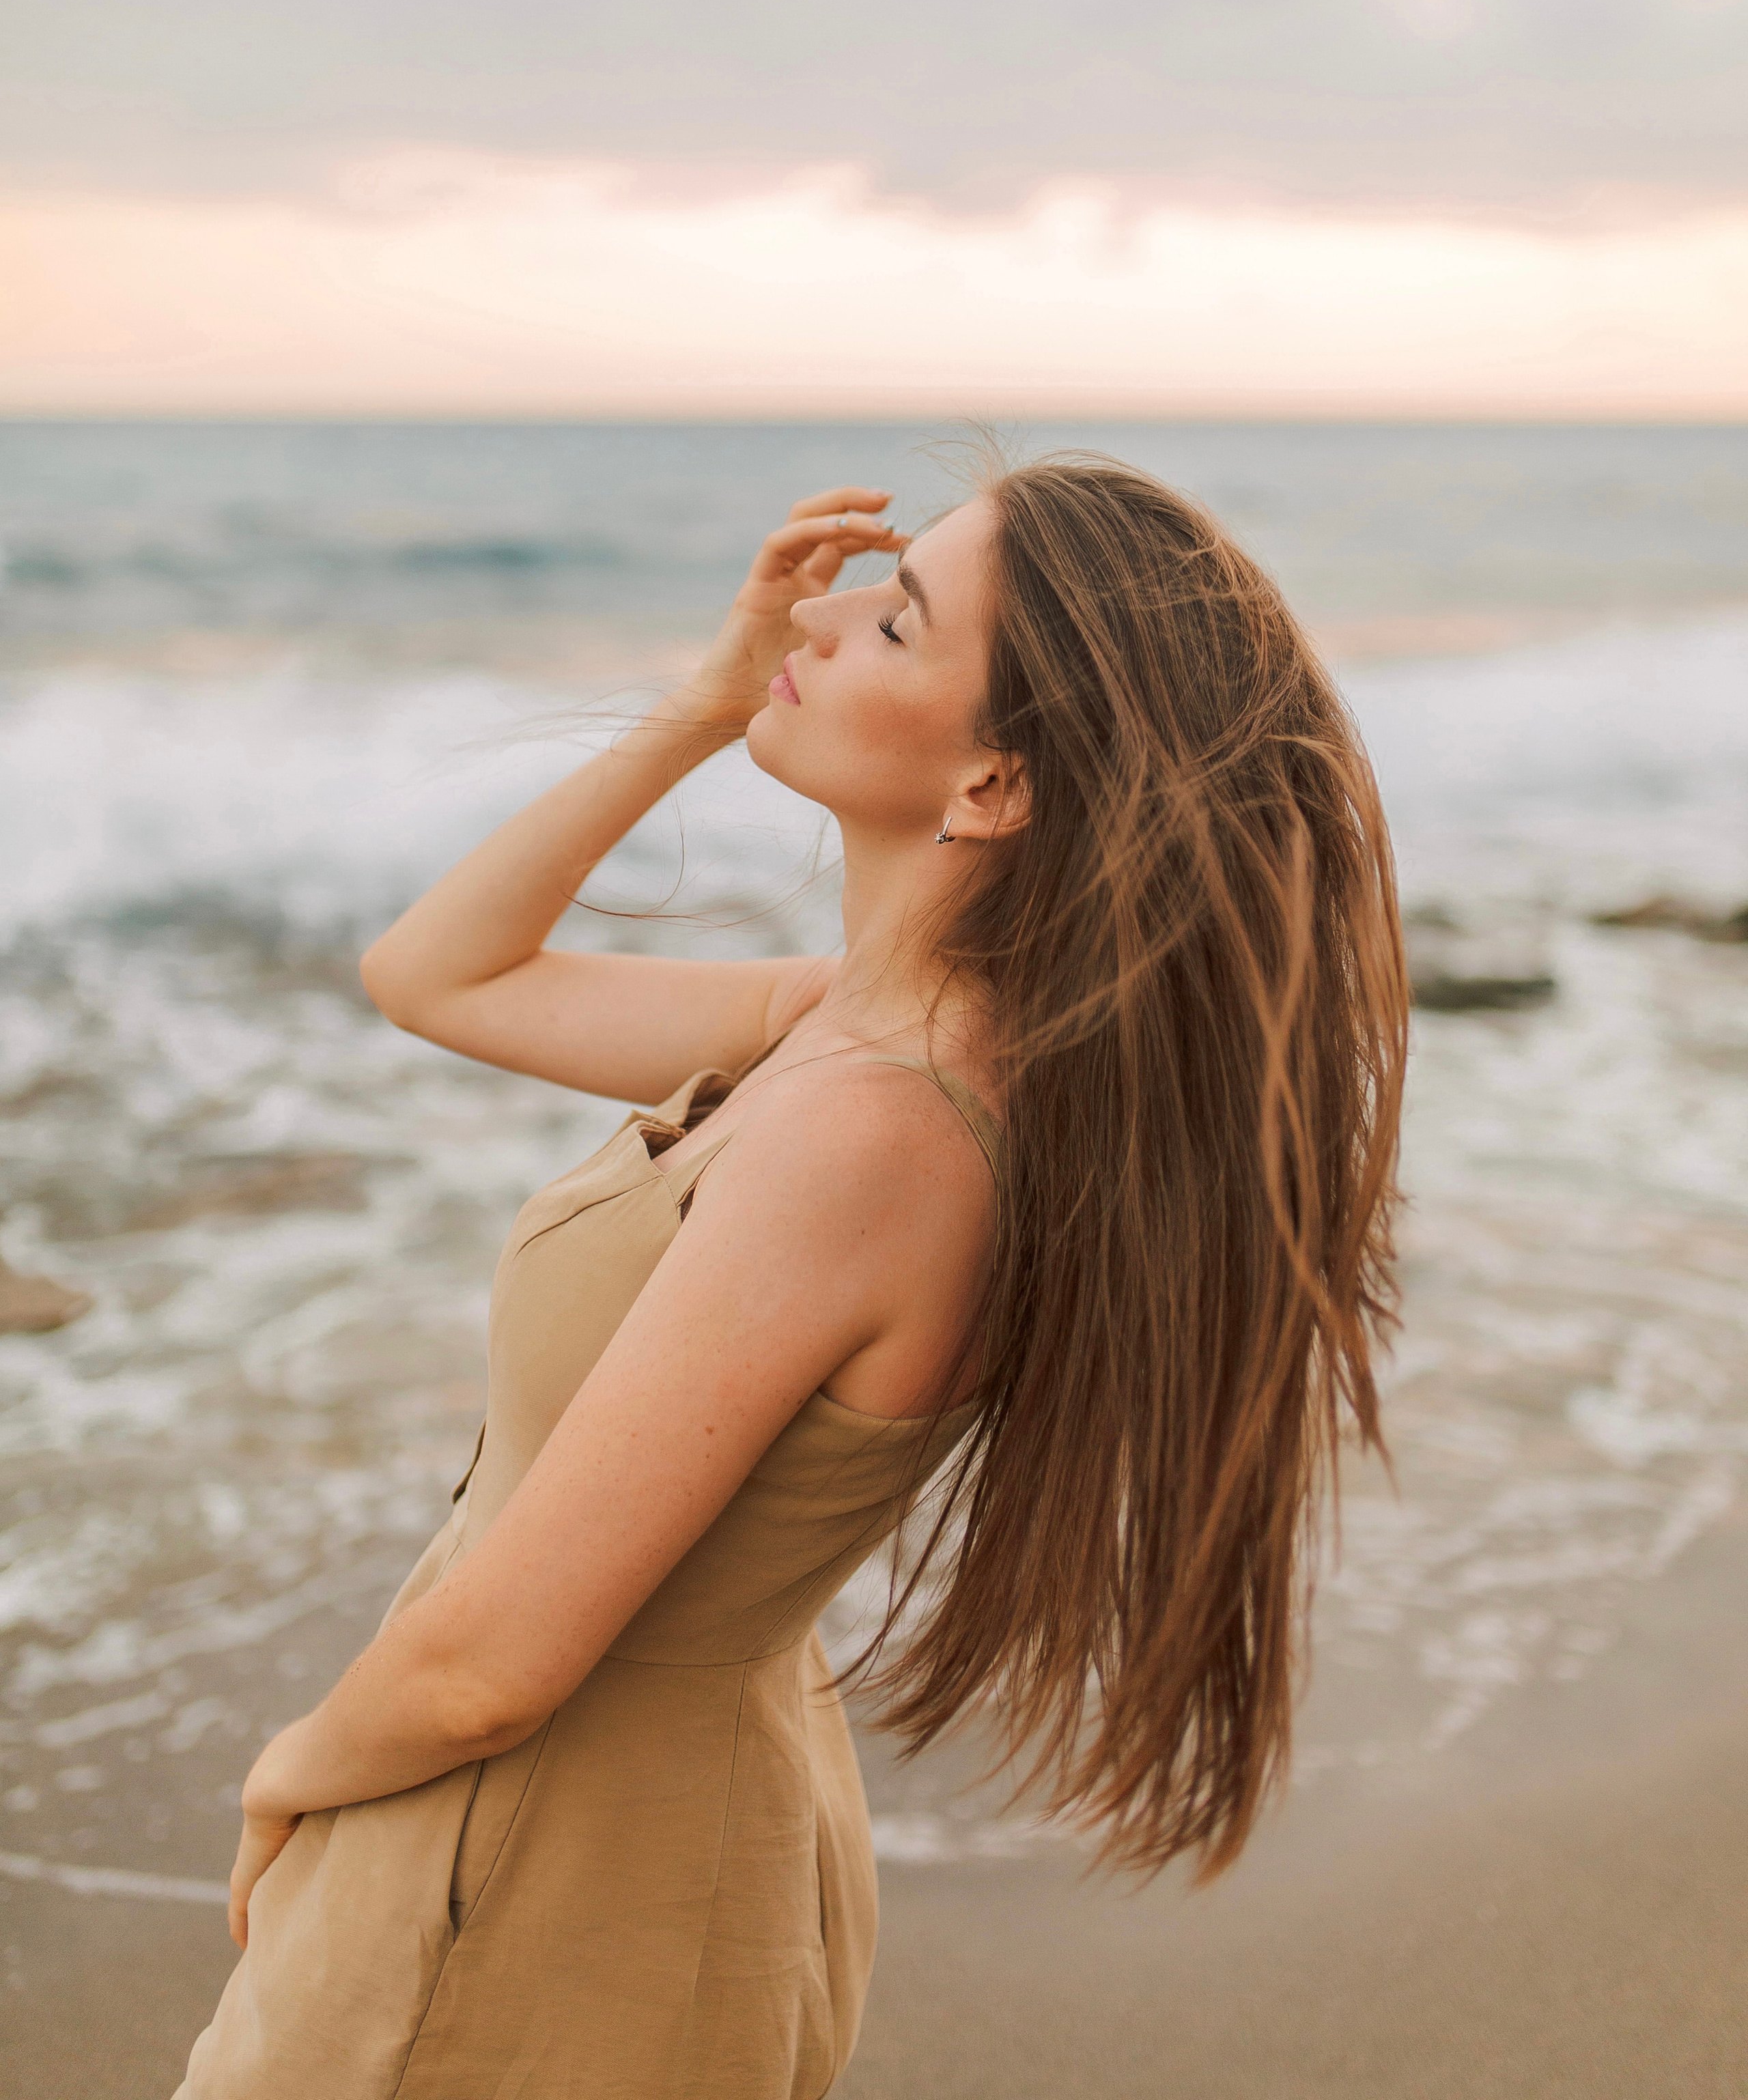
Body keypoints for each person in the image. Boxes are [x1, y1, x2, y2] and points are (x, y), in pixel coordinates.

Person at [175, 454, 1407, 2100]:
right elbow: (433, 973)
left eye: (894, 622)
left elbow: (490, 1669)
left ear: (991, 786)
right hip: (610, 1817)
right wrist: (705, 696)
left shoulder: (875, 1132)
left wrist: (291, 1776)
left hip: (537, 1857)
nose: (816, 621)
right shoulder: (868, 1030)